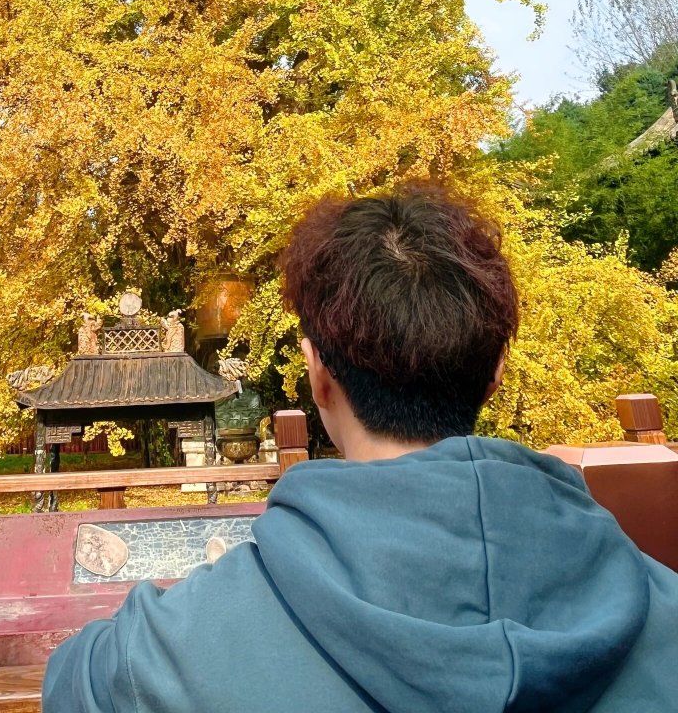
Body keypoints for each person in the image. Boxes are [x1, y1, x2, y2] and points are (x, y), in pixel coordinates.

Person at [43, 186, 678, 712]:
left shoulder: (165, 654)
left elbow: (72, 683)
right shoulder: (661, 609)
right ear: (497, 370)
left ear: (318, 372)